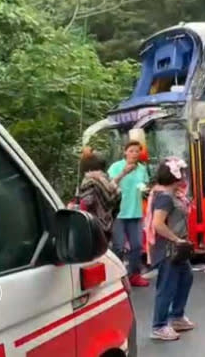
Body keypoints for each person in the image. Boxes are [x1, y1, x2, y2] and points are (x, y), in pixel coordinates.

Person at [149, 157, 195, 341]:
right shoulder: (165, 197)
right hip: (169, 248)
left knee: (186, 278)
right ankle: (159, 325)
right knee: (167, 286)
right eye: (181, 172)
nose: (184, 175)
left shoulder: (173, 194)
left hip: (178, 246)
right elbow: (158, 224)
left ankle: (176, 316)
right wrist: (176, 239)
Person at [108, 141, 150, 287]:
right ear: (125, 152)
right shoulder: (116, 167)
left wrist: (145, 190)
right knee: (118, 246)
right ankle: (117, 278)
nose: (134, 154)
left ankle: (134, 275)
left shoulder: (142, 169)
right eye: (131, 151)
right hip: (119, 212)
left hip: (135, 212)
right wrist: (124, 172)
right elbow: (109, 185)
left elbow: (144, 185)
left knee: (137, 246)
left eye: (137, 151)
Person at [77, 147, 120, 241]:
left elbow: (87, 202)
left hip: (93, 224)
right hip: (108, 223)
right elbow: (117, 198)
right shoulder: (107, 179)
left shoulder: (89, 181)